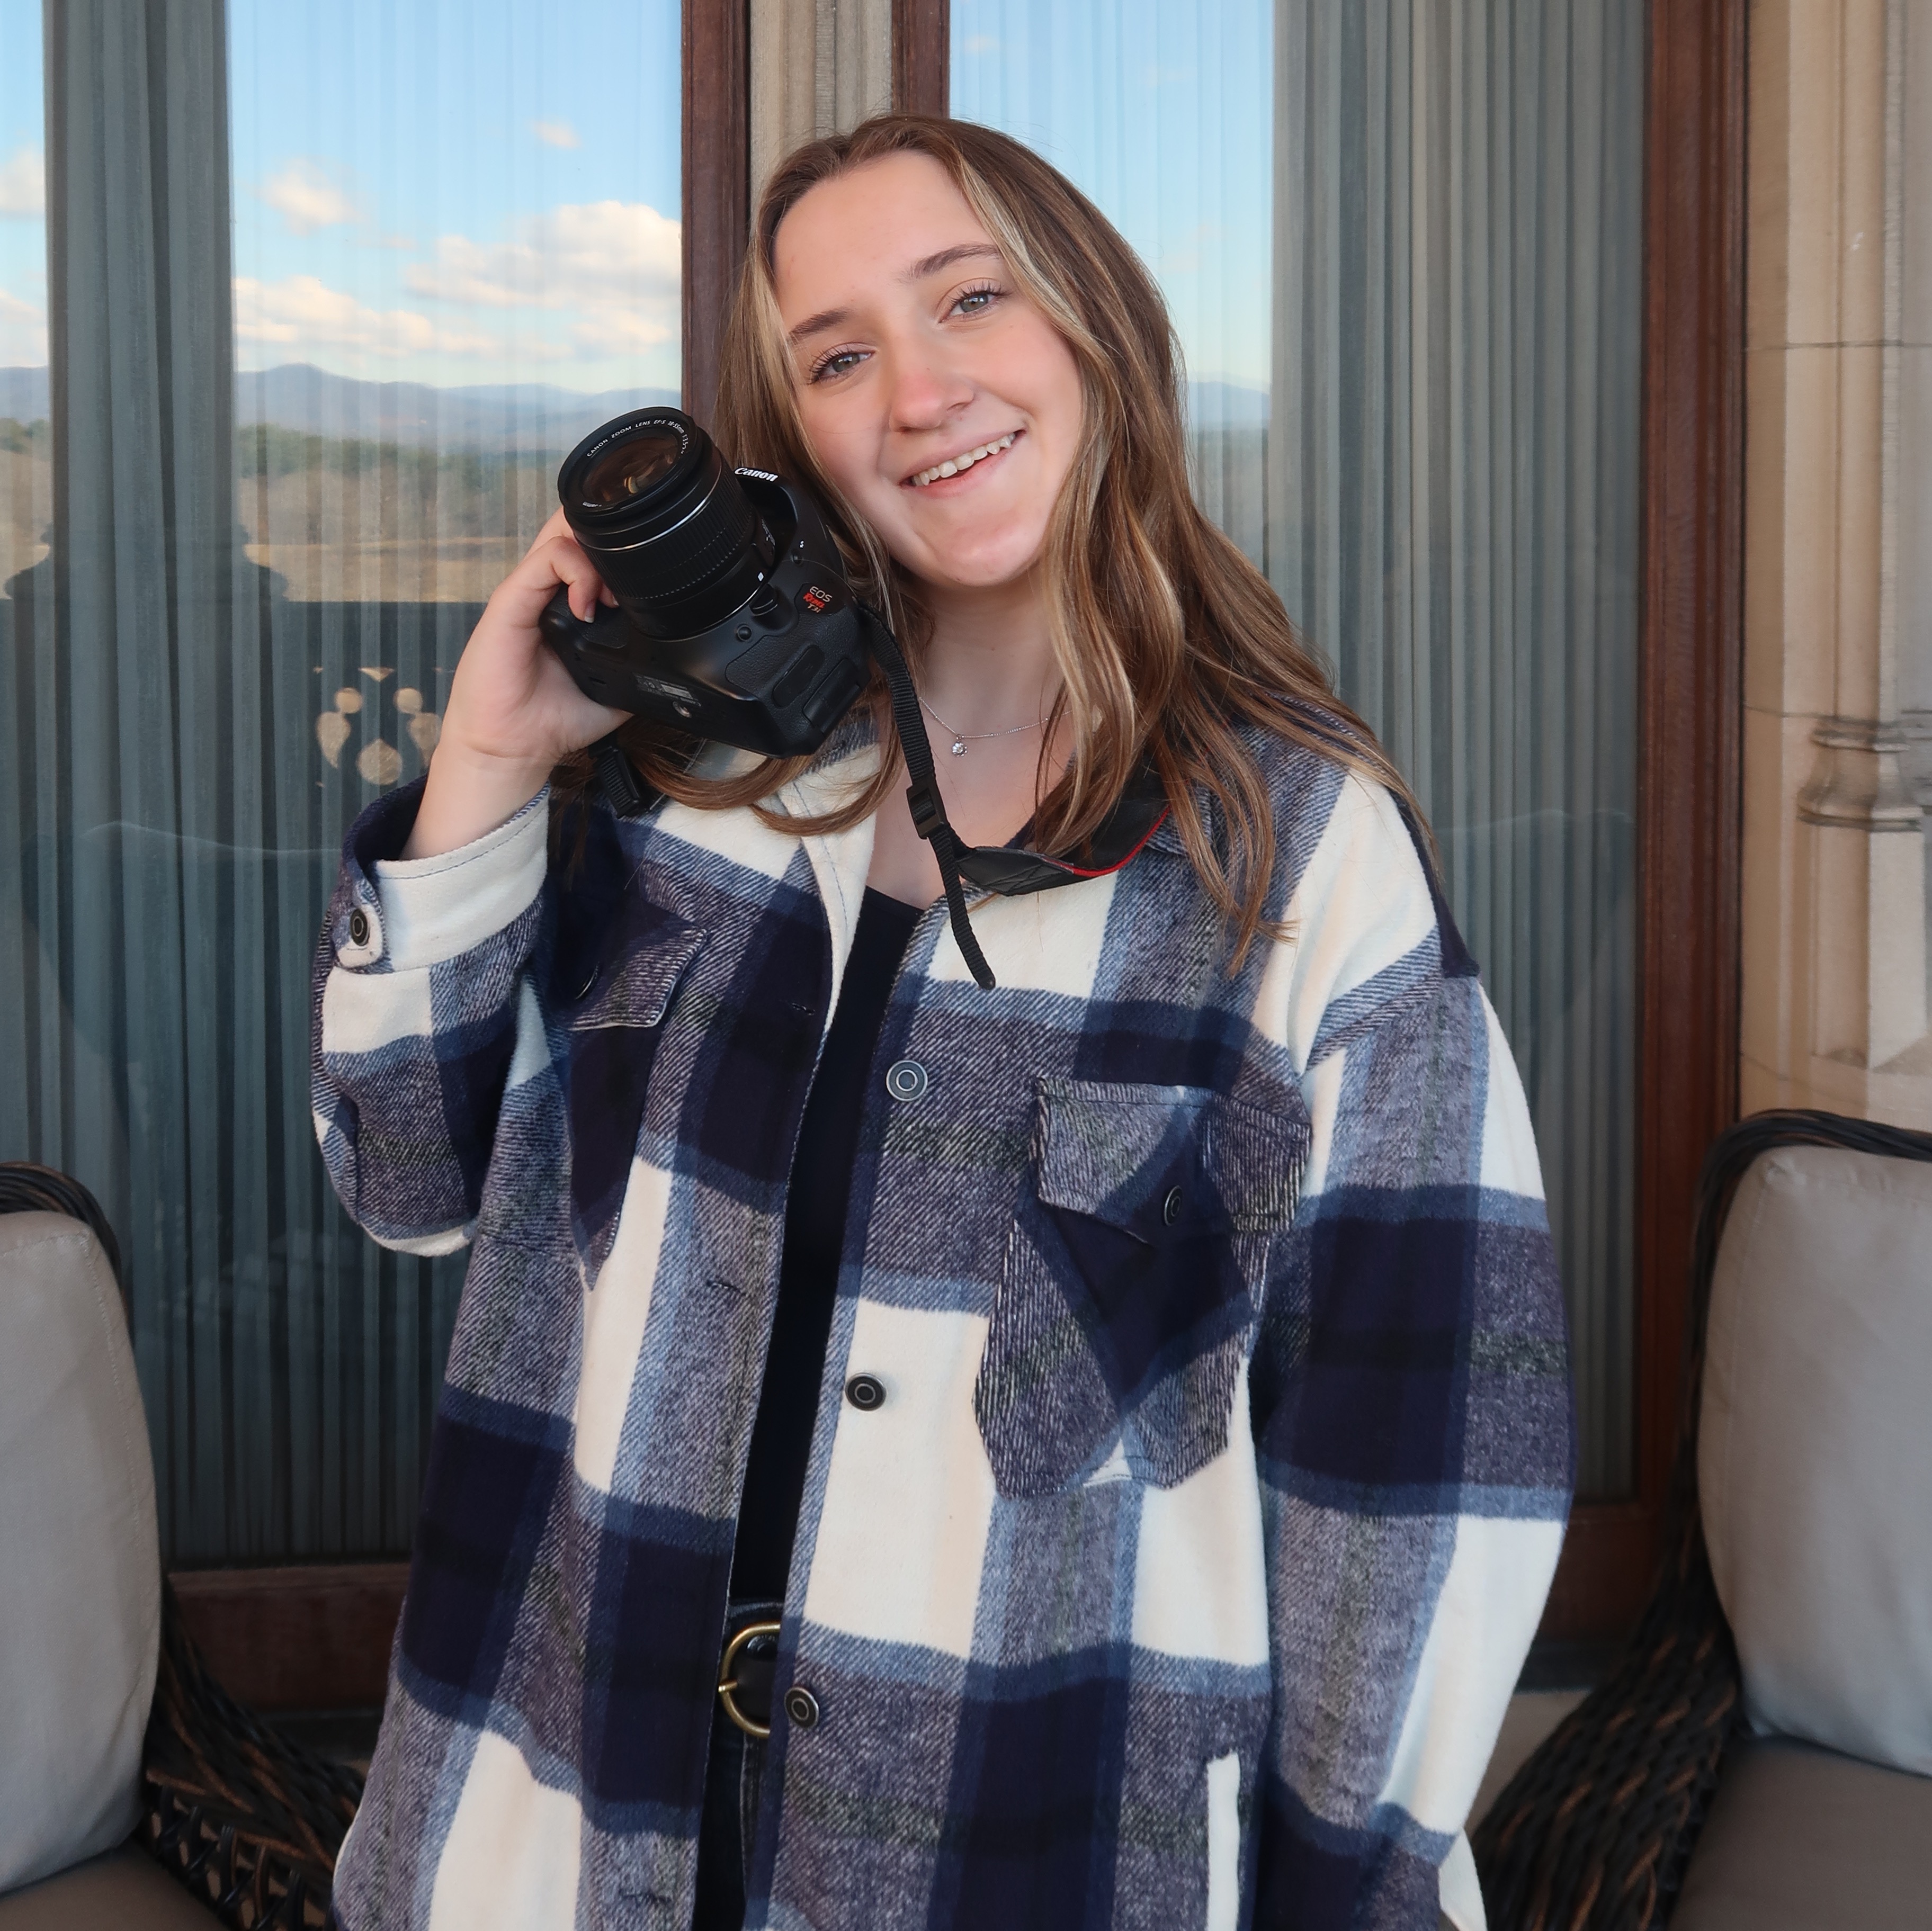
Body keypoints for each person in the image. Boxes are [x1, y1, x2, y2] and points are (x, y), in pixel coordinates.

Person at [312, 113, 1572, 1931]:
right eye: (837, 356)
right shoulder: (685, 798)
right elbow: (405, 1177)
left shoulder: (1298, 865)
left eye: (967, 297)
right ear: (798, 442)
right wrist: (494, 765)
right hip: (554, 1830)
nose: (917, 392)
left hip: (1033, 1843)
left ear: (1094, 327)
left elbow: (1423, 1475)